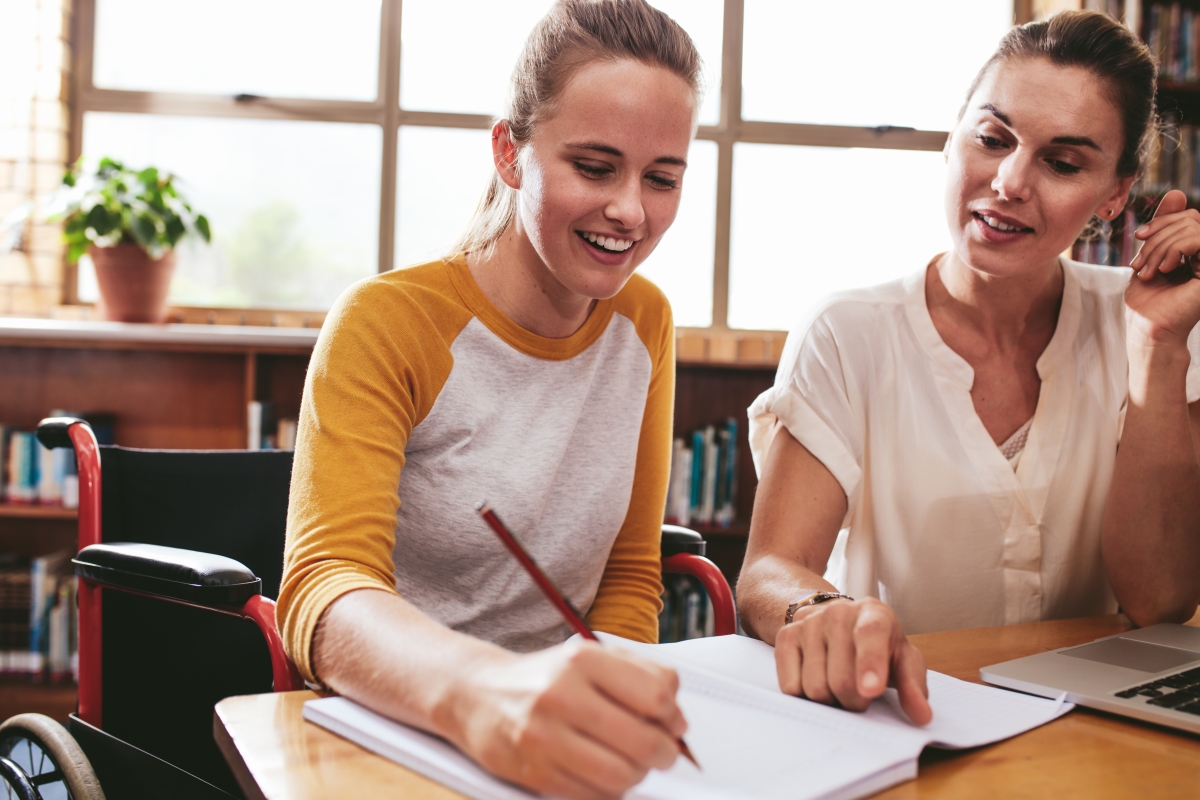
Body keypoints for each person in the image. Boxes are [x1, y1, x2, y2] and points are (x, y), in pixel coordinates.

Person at [275, 2, 702, 797]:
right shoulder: (386, 323)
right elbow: (326, 592)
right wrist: (486, 698)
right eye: (596, 166)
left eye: (662, 178)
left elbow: (631, 574)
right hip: (396, 734)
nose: (632, 211)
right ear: (510, 151)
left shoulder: (646, 323)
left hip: (559, 751)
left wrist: (606, 718)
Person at [737, 10, 1200, 726]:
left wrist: (1158, 352)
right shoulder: (848, 331)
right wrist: (821, 611)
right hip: (900, 715)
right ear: (953, 139)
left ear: (1114, 195)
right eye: (992, 139)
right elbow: (768, 571)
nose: (1010, 181)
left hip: (1090, 734)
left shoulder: (1148, 327)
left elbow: (1158, 605)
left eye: (1063, 162)